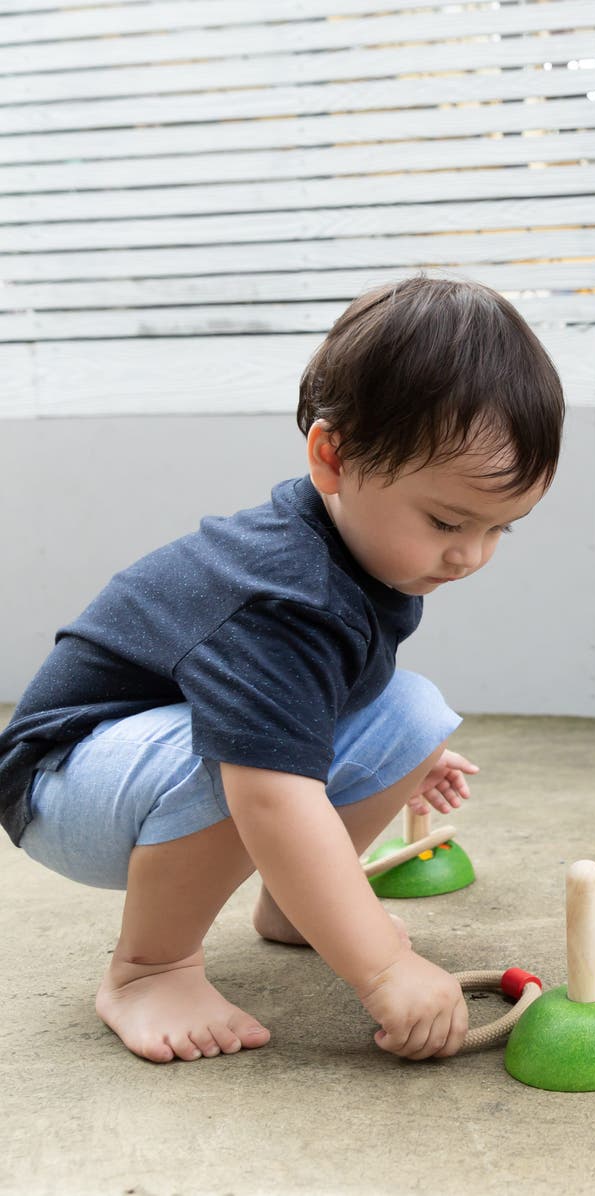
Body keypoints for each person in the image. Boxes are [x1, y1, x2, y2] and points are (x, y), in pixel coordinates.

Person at [0, 275, 564, 1065]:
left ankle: (293, 910)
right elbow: (267, 790)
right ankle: (150, 967)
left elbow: (332, 697)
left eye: (502, 528)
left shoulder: (364, 556)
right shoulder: (283, 591)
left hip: (137, 765)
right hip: (61, 786)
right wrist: (384, 967)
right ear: (332, 457)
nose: (470, 555)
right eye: (446, 521)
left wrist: (406, 752)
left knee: (414, 712)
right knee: (252, 769)